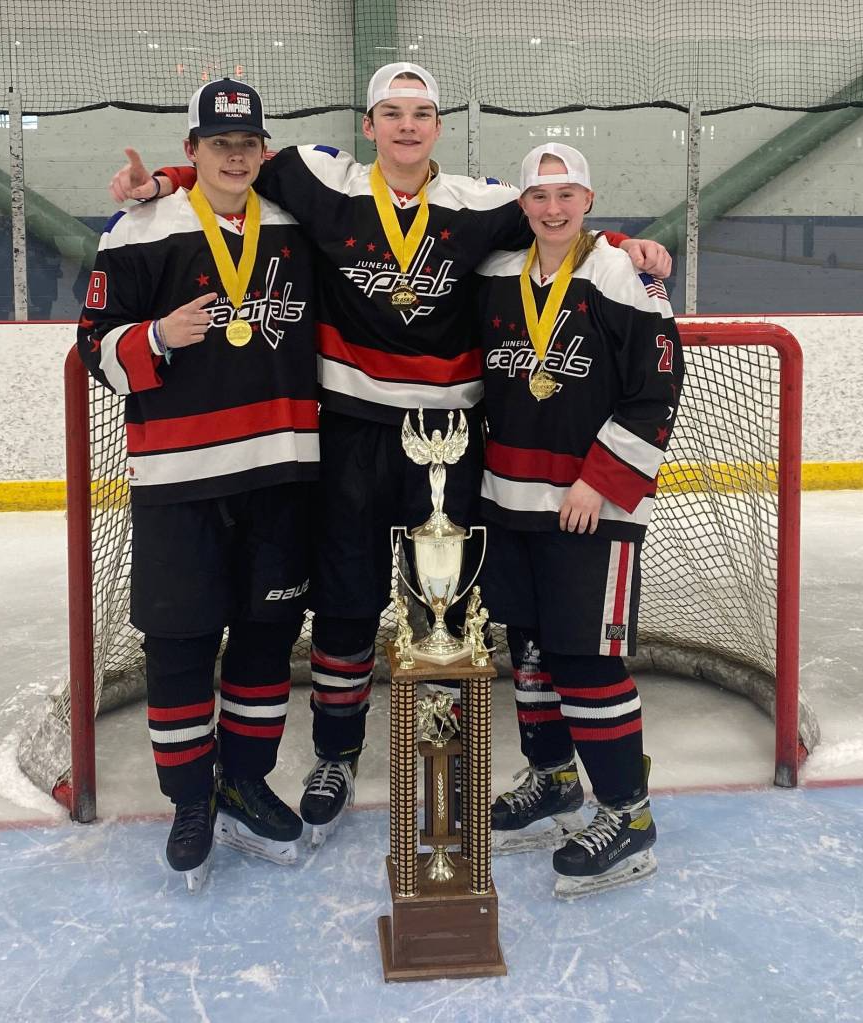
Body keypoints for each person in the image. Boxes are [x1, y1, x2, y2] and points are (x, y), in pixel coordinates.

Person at [109, 63, 673, 848]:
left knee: (440, 611)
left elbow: (563, 227)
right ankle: (336, 755)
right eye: (391, 114)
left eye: (421, 114)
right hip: (346, 437)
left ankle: (440, 753)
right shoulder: (320, 181)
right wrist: (162, 181)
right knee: (343, 607)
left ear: (438, 127)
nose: (407, 127)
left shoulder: (481, 205)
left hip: (448, 445)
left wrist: (625, 242)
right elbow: (225, 167)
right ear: (367, 124)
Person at [79, 79, 319, 891]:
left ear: (264, 148)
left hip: (280, 474)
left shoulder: (295, 223)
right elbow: (94, 348)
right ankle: (190, 797)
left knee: (263, 640)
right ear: (192, 150)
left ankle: (245, 778)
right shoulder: (139, 227)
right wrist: (155, 336)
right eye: (218, 145)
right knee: (179, 645)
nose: (234, 155)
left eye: (247, 142)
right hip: (180, 483)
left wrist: (617, 246)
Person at [476, 143, 684, 897]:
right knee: (530, 654)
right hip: (512, 501)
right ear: (522, 203)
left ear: (590, 199)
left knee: (588, 661)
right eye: (540, 196)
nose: (553, 209)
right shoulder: (499, 273)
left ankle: (628, 815)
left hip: (593, 510)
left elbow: (656, 391)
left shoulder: (624, 274)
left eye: (567, 195)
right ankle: (556, 779)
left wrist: (600, 481)